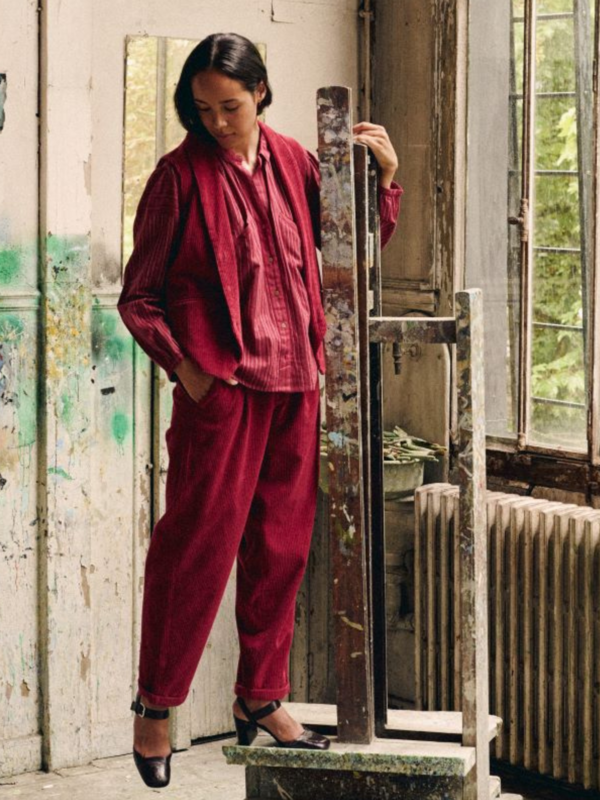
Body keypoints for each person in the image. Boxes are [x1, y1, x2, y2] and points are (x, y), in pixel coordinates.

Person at [117, 31, 403, 788]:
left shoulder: (297, 163)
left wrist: (384, 180)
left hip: (299, 385)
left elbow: (350, 254)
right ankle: (156, 706)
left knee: (281, 550)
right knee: (194, 551)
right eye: (202, 108)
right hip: (225, 394)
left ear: (261, 94)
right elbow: (138, 299)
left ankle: (261, 696)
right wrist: (191, 373)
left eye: (230, 106)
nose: (216, 121)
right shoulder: (178, 179)